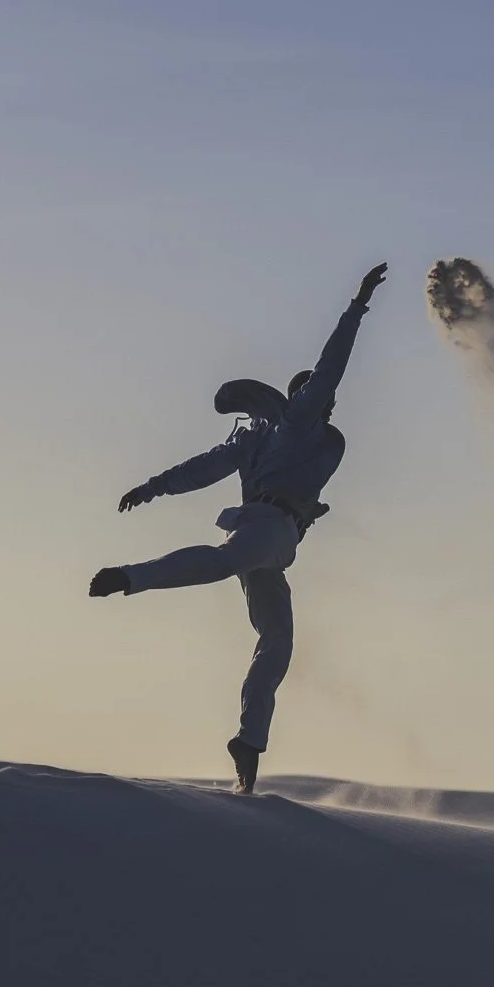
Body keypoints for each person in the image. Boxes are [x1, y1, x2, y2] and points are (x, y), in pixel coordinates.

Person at [90, 263, 388, 793]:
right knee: (226, 561)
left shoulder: (284, 437)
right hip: (267, 532)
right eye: (314, 396)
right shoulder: (293, 423)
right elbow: (330, 366)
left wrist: (152, 487)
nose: (325, 401)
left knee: (277, 639)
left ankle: (249, 742)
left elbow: (205, 467)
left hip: (275, 545)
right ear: (298, 399)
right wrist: (358, 305)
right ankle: (129, 577)